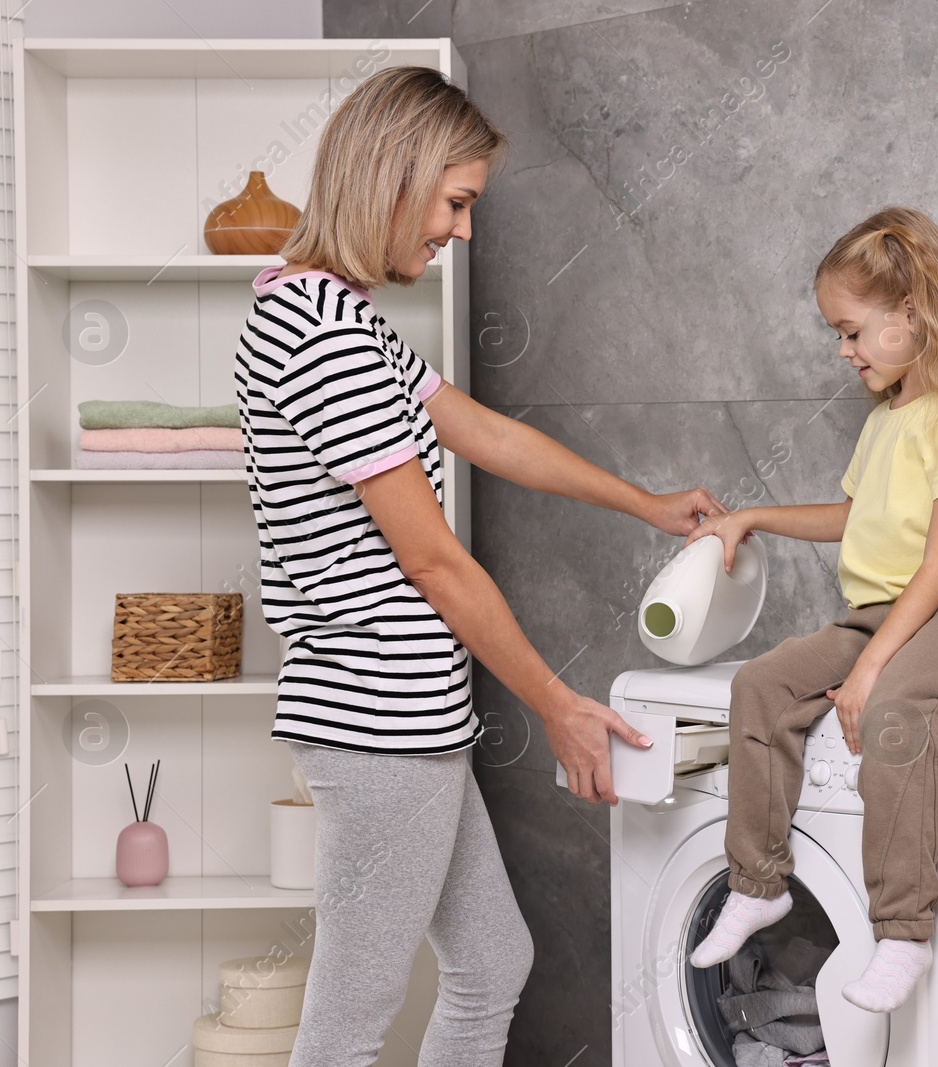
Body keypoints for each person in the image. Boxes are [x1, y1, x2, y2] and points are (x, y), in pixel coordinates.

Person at [234, 66, 723, 1066]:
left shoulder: (334, 315)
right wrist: (554, 701)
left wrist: (645, 504)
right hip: (378, 719)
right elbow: (435, 561)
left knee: (490, 960)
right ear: (394, 175)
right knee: (346, 1023)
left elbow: (487, 434)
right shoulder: (324, 335)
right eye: (455, 202)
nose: (460, 231)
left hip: (406, 718)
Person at [685, 207, 938, 1014]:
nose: (841, 350)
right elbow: (856, 519)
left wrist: (873, 669)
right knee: (762, 685)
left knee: (898, 711)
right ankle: (759, 883)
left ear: (910, 317)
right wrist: (751, 517)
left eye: (849, 331)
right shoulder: (885, 422)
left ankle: (903, 932)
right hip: (883, 613)